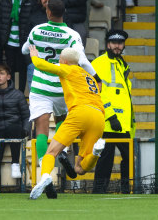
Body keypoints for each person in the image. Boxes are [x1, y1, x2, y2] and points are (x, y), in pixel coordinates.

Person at [21, 0, 99, 167]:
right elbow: (83, 61)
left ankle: (43, 167)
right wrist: (96, 77)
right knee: (61, 121)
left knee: (41, 128)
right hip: (62, 86)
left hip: (41, 85)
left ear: (48, 12)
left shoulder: (37, 30)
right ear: (64, 13)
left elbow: (24, 49)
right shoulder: (72, 35)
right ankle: (62, 151)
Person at [28, 45, 106, 200]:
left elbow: (41, 65)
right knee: (80, 168)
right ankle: (96, 153)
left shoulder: (67, 69)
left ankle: (45, 177)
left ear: (63, 60)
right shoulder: (88, 76)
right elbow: (99, 87)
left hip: (80, 112)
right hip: (98, 116)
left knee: (51, 152)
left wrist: (34, 55)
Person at [92, 29, 135, 194]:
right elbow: (97, 92)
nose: (117, 46)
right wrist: (110, 115)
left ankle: (127, 190)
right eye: (114, 43)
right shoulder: (98, 63)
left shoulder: (122, 64)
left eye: (120, 43)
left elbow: (125, 97)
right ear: (108, 44)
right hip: (108, 122)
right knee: (105, 160)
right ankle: (99, 191)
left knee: (128, 159)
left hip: (123, 124)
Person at [0, 63, 30, 180]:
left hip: (14, 129)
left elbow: (26, 116)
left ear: (8, 77)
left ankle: (15, 163)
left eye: (2, 73)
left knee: (14, 128)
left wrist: (26, 129)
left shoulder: (18, 95)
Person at [0, 0, 35, 92]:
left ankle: (21, 93)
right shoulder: (5, 0)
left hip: (22, 42)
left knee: (22, 69)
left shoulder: (28, 1)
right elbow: (0, 21)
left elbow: (30, 22)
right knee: (10, 69)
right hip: (9, 42)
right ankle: (11, 92)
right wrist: (3, 40)